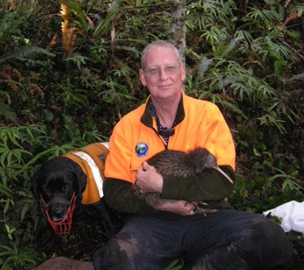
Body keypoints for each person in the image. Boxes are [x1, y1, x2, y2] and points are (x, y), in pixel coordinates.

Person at [34, 40, 293, 270]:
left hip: (206, 215)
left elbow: (221, 181)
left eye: (170, 68)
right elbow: (114, 191)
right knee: (120, 255)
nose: (163, 77)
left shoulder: (207, 115)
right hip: (152, 222)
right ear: (143, 78)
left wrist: (161, 185)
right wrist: (162, 204)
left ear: (182, 73)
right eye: (153, 70)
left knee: (268, 234)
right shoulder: (127, 126)